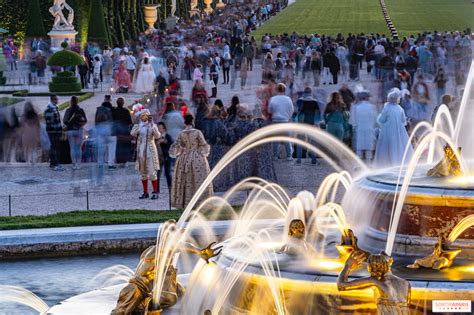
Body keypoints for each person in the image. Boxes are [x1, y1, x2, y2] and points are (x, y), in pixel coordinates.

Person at [171, 114, 213, 208]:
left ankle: (185, 202)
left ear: (184, 122)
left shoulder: (181, 133)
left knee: (185, 179)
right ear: (192, 121)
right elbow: (204, 145)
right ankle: (200, 202)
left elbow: (177, 147)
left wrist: (182, 151)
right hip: (197, 157)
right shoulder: (197, 132)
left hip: (184, 158)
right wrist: (202, 152)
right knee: (198, 179)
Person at [374, 89, 413, 168]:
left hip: (388, 130)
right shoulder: (400, 109)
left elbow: (381, 119)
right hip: (399, 130)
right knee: (399, 145)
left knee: (387, 146)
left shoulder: (387, 108)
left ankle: (387, 163)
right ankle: (398, 161)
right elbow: (403, 121)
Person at [131, 104, 161, 200]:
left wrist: (152, 124)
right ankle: (145, 192)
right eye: (142, 115)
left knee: (152, 172)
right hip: (141, 150)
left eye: (146, 115)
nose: (144, 117)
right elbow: (132, 133)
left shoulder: (152, 126)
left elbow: (157, 136)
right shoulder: (138, 126)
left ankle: (155, 191)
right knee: (143, 172)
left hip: (150, 150)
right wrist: (140, 126)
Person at [295, 87, 321, 165]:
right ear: (311, 93)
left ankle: (298, 160)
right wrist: (317, 123)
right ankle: (313, 160)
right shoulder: (315, 102)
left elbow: (296, 112)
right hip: (311, 124)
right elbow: (318, 114)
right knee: (312, 143)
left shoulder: (299, 101)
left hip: (301, 124)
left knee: (300, 142)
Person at [268, 83, 294, 160]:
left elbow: (270, 110)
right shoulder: (288, 99)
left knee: (275, 140)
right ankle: (289, 156)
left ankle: (275, 156)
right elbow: (291, 110)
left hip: (275, 120)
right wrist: (288, 117)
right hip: (285, 120)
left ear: (276, 90)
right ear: (284, 90)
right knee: (287, 139)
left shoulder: (273, 99)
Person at [350, 90, 377, 162]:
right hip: (369, 128)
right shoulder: (372, 107)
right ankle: (368, 163)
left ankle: (359, 164)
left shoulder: (355, 107)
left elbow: (353, 121)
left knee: (359, 148)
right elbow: (375, 118)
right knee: (369, 147)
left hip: (359, 129)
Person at [63, 96, 87, 170]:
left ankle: (74, 164)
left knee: (72, 148)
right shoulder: (81, 110)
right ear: (77, 101)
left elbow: (64, 121)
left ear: (71, 101)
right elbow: (85, 120)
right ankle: (79, 164)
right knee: (78, 148)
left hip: (70, 130)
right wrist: (80, 124)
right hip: (79, 130)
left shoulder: (68, 110)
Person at [44, 95, 64, 171]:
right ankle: (53, 163)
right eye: (56, 99)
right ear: (52, 100)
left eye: (57, 99)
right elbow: (50, 122)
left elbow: (57, 120)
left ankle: (56, 162)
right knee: (53, 146)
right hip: (52, 131)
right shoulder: (49, 109)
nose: (57, 100)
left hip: (57, 130)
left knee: (56, 146)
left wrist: (60, 129)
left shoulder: (55, 107)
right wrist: (58, 129)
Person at [115, 97, 133, 166]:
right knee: (125, 147)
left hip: (117, 131)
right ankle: (125, 161)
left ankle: (118, 160)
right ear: (123, 103)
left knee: (118, 146)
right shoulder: (126, 111)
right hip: (125, 131)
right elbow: (130, 122)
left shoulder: (115, 110)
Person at [156, 122, 173, 193]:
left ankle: (170, 188)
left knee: (167, 173)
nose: (160, 130)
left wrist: (165, 141)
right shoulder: (156, 137)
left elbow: (171, 144)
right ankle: (156, 189)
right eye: (159, 128)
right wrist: (158, 142)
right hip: (159, 157)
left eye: (161, 128)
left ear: (164, 128)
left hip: (167, 156)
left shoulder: (167, 136)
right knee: (157, 173)